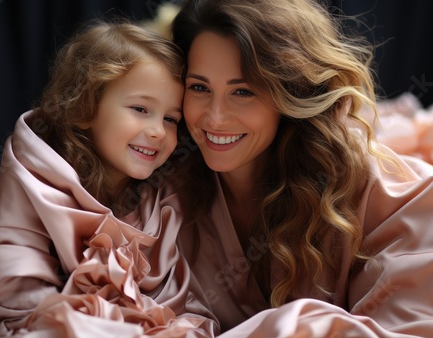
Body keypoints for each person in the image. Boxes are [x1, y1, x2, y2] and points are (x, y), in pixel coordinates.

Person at [0, 19, 217, 337]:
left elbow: (176, 296)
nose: (157, 131)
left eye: (170, 119)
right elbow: (5, 271)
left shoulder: (160, 202)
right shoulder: (37, 183)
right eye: (140, 109)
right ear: (85, 108)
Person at [171, 0, 433, 336]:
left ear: (291, 92)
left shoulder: (390, 198)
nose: (215, 117)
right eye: (199, 88)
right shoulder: (165, 192)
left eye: (243, 91)